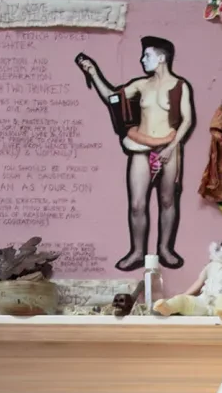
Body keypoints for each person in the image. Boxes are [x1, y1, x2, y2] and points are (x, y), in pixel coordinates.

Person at [75, 36, 195, 271]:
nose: (142, 60)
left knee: (168, 200)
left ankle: (165, 249)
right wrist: (93, 73)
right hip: (140, 147)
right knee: (137, 204)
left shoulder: (181, 86)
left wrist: (171, 148)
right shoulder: (142, 84)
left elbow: (187, 120)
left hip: (169, 146)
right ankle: (138, 251)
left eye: (147, 56)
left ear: (161, 58)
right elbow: (112, 98)